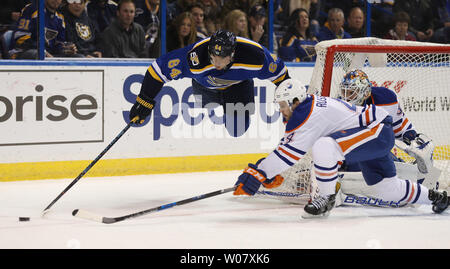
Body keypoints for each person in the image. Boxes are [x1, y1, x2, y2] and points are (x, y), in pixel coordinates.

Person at [232, 78, 449, 218]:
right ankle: (437, 198)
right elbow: (285, 149)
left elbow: (286, 155)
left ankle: (326, 198)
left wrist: (260, 172)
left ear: (295, 101)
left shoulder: (305, 113)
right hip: (370, 138)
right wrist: (261, 171)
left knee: (325, 145)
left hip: (376, 132)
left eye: (282, 105)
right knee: (386, 189)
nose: (281, 111)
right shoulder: (309, 108)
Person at [128, 29, 290, 137]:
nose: (216, 63)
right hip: (205, 87)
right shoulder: (195, 58)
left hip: (237, 86)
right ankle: (219, 100)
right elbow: (158, 69)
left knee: (237, 130)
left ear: (233, 54)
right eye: (213, 57)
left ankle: (230, 100)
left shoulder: (254, 56)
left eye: (222, 59)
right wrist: (144, 100)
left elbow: (280, 74)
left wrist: (289, 102)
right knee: (207, 108)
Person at [338, 70, 435, 179]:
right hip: (351, 157)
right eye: (344, 91)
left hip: (377, 154)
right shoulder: (337, 107)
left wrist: (412, 140)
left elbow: (401, 128)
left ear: (365, 92)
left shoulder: (385, 99)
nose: (346, 97)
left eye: (351, 92)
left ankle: (418, 182)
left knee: (407, 174)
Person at [12, 0, 78, 59]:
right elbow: (20, 37)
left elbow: (58, 43)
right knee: (38, 55)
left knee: (78, 58)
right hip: (23, 52)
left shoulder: (60, 17)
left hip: (48, 56)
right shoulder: (32, 9)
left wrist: (66, 49)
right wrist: (43, 51)